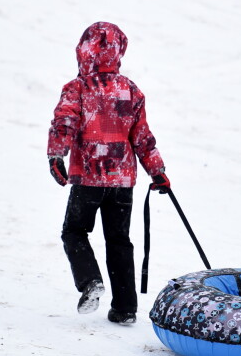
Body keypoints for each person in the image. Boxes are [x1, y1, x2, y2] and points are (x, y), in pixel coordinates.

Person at [47, 21, 170, 325]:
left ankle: (90, 281)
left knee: (74, 231)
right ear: (118, 53)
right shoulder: (130, 90)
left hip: (89, 176)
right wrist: (157, 171)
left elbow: (65, 121)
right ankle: (125, 308)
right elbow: (142, 136)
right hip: (122, 181)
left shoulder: (78, 88)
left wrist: (56, 155)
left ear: (84, 52)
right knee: (119, 239)